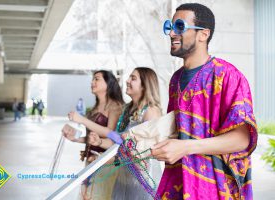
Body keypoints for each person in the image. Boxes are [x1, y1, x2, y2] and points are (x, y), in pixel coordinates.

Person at [151, 3, 258, 200]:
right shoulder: (176, 79)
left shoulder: (228, 76)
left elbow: (242, 139)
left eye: (180, 27)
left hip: (214, 188)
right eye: (170, 27)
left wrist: (185, 147)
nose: (172, 33)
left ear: (203, 34)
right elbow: (177, 131)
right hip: (178, 184)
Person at [68, 67, 163, 200]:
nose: (128, 81)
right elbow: (117, 141)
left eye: (133, 78)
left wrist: (106, 160)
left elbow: (146, 151)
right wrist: (99, 142)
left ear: (145, 85)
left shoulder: (151, 111)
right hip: (123, 178)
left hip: (143, 180)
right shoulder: (127, 110)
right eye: (129, 77)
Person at [62, 70, 124, 200]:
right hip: (90, 162)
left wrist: (82, 120)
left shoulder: (115, 107)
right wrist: (75, 138)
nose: (92, 82)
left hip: (106, 164)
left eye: (97, 79)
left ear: (109, 83)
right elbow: (92, 138)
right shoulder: (94, 108)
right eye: (92, 79)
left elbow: (110, 137)